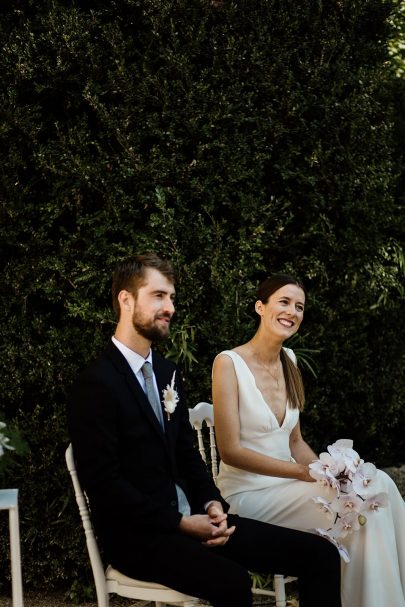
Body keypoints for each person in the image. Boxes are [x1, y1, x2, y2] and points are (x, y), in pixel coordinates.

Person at [67, 255, 342, 607]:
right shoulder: (95, 384)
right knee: (230, 582)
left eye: (172, 298)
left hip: (198, 521)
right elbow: (105, 487)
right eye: (158, 296)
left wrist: (212, 504)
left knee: (320, 554)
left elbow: (186, 454)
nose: (169, 307)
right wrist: (181, 524)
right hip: (139, 537)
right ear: (126, 299)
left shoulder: (167, 373)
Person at [212, 274, 405, 607]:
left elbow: (296, 442)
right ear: (261, 307)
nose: (293, 312)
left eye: (299, 307)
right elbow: (230, 451)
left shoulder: (291, 360)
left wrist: (332, 472)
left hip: (288, 487)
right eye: (284, 302)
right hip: (248, 496)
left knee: (378, 485)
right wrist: (303, 474)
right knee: (364, 504)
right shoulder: (228, 363)